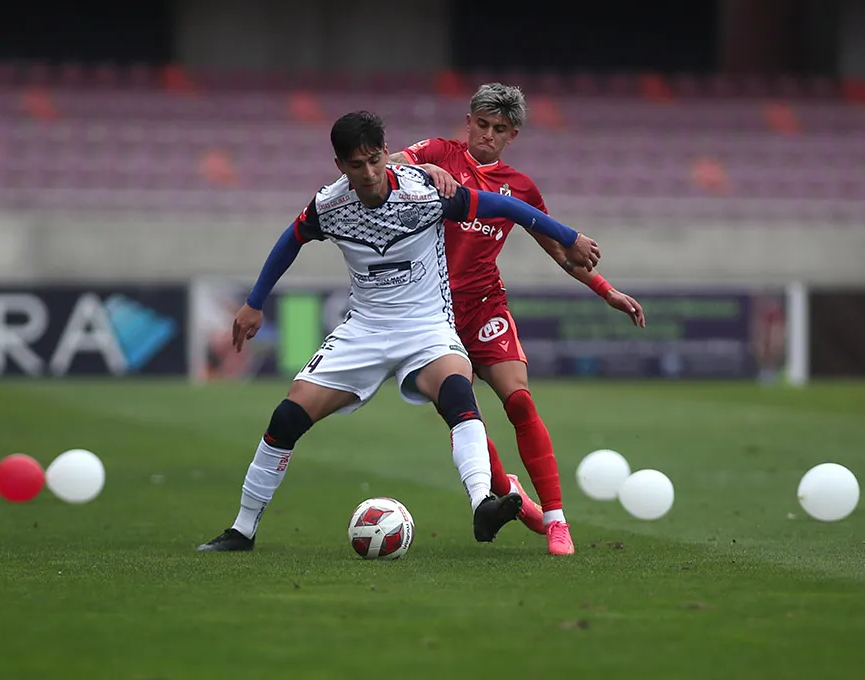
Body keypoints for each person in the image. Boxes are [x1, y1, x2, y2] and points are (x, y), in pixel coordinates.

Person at [198, 110, 601, 552]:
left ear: (388, 153)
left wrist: (570, 235)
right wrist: (254, 303)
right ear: (340, 167)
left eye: (375, 160)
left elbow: (507, 206)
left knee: (457, 394)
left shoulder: (426, 193)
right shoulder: (329, 205)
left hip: (426, 328)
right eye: (356, 165)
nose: (369, 174)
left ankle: (482, 502)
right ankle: (242, 529)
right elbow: (290, 240)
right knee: (286, 418)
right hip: (364, 331)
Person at [389, 83, 646, 555]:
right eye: (482, 125)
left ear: (513, 135)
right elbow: (387, 166)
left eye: (499, 129)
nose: (487, 135)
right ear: (468, 122)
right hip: (432, 315)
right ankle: (509, 495)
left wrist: (607, 290)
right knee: (464, 415)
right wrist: (422, 168)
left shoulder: (520, 187)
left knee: (521, 403)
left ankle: (555, 520)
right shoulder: (437, 153)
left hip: (485, 305)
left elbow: (561, 251)